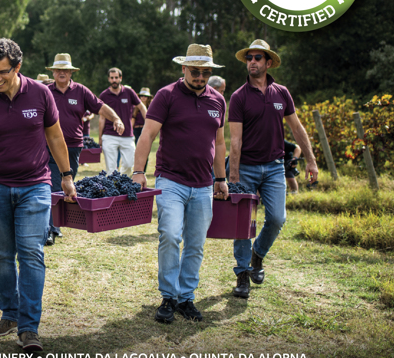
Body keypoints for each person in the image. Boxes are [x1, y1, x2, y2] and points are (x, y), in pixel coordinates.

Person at [0, 38, 76, 352]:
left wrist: (66, 177)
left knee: (31, 254)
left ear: (18, 67)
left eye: (2, 72)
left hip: (35, 186)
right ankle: (9, 314)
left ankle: (29, 328)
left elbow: (55, 136)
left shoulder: (41, 94)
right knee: (1, 257)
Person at [133, 44, 228, 323]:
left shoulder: (217, 101)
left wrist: (220, 179)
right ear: (183, 68)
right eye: (195, 71)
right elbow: (147, 135)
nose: (200, 77)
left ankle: (186, 298)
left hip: (203, 185)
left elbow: (219, 143)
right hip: (171, 180)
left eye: (205, 72)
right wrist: (139, 171)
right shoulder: (166, 96)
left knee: (196, 244)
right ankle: (168, 296)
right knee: (171, 235)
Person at [228, 39, 318, 298]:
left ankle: (258, 255)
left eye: (257, 58)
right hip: (246, 168)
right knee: (242, 224)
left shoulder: (282, 93)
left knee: (278, 218)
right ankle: (242, 276)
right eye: (249, 58)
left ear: (268, 63)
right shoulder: (238, 97)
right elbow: (235, 141)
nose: (252, 62)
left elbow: (297, 128)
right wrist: (233, 176)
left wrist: (310, 159)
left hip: (275, 167)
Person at [43, 53, 125, 245]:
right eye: (58, 70)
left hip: (73, 147)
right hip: (49, 146)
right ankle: (49, 229)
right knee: (53, 185)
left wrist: (116, 119)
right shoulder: (45, 91)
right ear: (53, 72)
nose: (62, 73)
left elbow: (100, 107)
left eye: (65, 70)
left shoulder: (81, 91)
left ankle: (56, 224)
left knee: (66, 185)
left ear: (71, 72)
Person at [99, 68, 146, 176]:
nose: (114, 80)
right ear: (108, 79)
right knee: (111, 168)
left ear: (121, 78)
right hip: (109, 135)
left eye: (116, 77)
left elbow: (142, 107)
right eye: (112, 78)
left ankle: (120, 180)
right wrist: (100, 137)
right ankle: (113, 190)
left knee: (129, 165)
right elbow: (102, 118)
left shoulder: (129, 92)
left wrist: (148, 122)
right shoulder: (104, 95)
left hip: (127, 135)